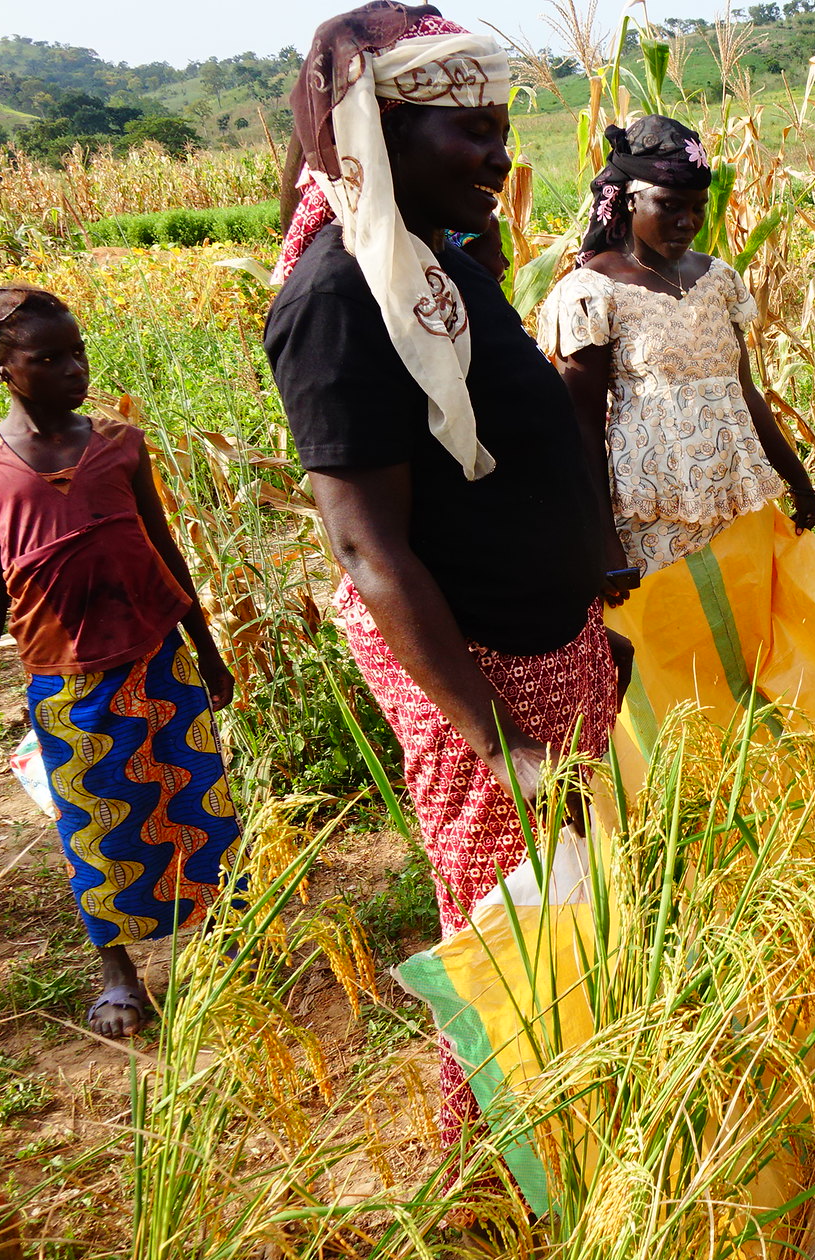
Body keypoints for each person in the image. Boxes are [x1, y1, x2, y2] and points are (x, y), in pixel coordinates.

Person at [262, 1, 623, 1147]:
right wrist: (492, 742)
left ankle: (585, 1105)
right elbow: (370, 550)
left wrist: (577, 619)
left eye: (499, 123)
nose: (498, 153)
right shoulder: (336, 299)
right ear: (378, 134)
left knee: (575, 900)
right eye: (469, 129)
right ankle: (500, 1161)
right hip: (481, 678)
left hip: (539, 644)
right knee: (507, 929)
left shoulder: (425, 263)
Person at [0, 287, 243, 1039]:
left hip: (157, 653)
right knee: (95, 820)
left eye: (77, 351)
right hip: (66, 670)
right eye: (49, 358)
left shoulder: (119, 442)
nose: (74, 368)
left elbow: (163, 547)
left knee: (194, 798)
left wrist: (207, 649)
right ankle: (118, 969)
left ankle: (221, 938)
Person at [537, 116, 815, 577]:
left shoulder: (717, 278)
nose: (687, 222)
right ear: (631, 201)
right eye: (669, 205)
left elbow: (745, 392)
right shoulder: (591, 293)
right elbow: (581, 426)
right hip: (649, 515)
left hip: (735, 498)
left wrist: (798, 480)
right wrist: (604, 544)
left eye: (698, 208)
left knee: (739, 633)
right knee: (671, 637)